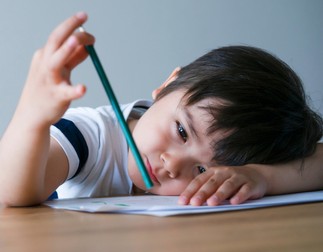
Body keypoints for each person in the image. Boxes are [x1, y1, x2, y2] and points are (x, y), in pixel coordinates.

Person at [0, 12, 322, 208]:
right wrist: (33, 117)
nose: (172, 165)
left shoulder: (237, 172)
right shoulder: (90, 136)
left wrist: (260, 176)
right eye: (181, 131)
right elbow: (12, 193)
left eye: (203, 171)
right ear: (169, 83)